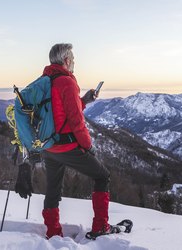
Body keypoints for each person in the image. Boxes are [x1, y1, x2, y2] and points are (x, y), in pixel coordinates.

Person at [41, 43, 119, 239]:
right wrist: (88, 146)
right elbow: (76, 121)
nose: (74, 62)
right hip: (67, 146)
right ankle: (101, 226)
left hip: (49, 146)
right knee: (102, 176)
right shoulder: (66, 82)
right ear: (66, 61)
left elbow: (59, 113)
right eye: (73, 59)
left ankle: (53, 231)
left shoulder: (44, 80)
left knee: (52, 189)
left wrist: (83, 100)